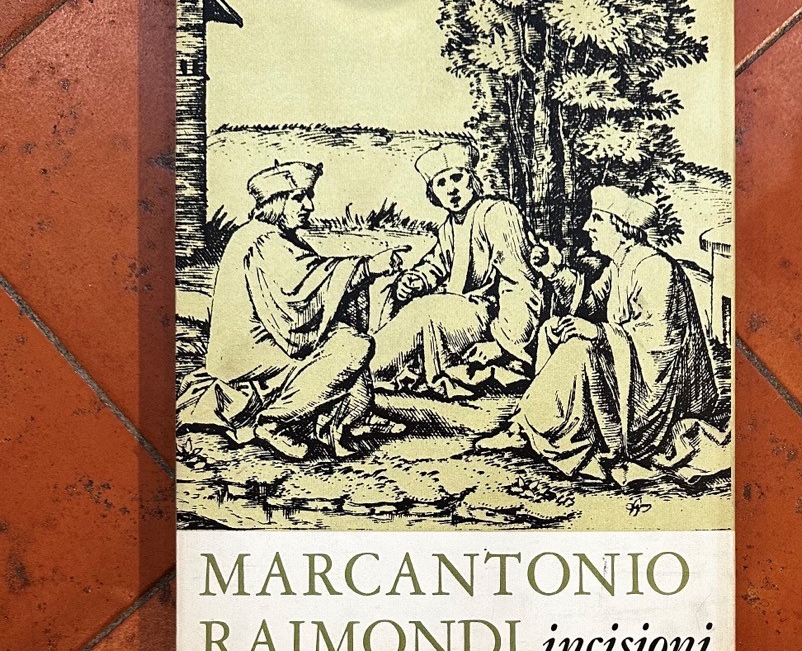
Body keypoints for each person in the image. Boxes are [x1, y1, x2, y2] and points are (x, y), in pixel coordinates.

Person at [479, 186, 729, 485]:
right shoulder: (618, 266)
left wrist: (597, 333)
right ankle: (536, 426)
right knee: (555, 330)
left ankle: (529, 429)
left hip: (654, 395)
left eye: (597, 219)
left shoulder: (656, 267)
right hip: (628, 371)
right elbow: (588, 305)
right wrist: (554, 271)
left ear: (622, 228)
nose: (587, 227)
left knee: (580, 348)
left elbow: (660, 343)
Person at [178, 160, 399, 460]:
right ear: (275, 201)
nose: (309, 205)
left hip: (269, 339)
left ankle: (352, 417)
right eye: (299, 198)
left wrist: (356, 274)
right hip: (250, 351)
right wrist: (368, 267)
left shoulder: (278, 235)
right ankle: (274, 423)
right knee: (353, 346)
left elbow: (317, 281)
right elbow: (301, 295)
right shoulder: (263, 239)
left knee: (343, 330)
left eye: (309, 196)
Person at [370, 142, 542, 399]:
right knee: (393, 291)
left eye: (457, 178)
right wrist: (416, 279)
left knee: (426, 310)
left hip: (491, 322)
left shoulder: (498, 213)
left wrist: (500, 345)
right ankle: (366, 366)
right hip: (458, 316)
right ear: (433, 193)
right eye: (441, 183)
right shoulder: (449, 226)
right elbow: (436, 264)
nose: (451, 189)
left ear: (472, 180)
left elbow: (520, 285)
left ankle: (363, 373)